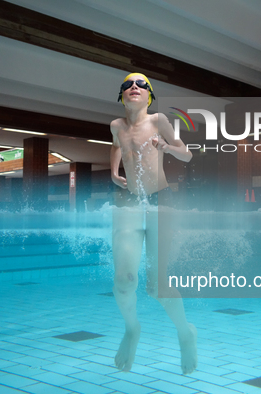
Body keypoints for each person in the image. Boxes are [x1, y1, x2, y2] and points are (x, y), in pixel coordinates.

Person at [109, 73, 197, 374]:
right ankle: (132, 329)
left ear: (150, 96)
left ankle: (186, 332)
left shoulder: (159, 120)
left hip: (160, 200)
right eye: (128, 85)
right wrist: (113, 170)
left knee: (157, 287)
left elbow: (186, 154)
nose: (134, 87)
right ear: (122, 96)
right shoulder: (116, 126)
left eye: (141, 85)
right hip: (130, 203)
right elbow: (116, 145)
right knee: (123, 282)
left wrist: (167, 148)